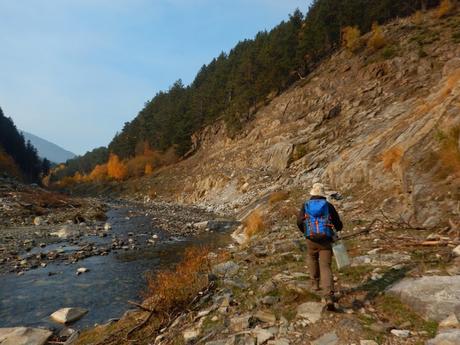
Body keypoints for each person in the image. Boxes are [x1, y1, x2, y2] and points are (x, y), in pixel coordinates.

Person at [296, 182, 343, 310]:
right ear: (323, 194)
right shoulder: (328, 206)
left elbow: (299, 221)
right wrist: (337, 229)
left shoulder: (305, 205)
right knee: (325, 266)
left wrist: (305, 232)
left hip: (310, 239)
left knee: (312, 258)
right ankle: (328, 296)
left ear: (312, 193)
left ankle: (315, 284)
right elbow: (338, 224)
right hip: (326, 239)